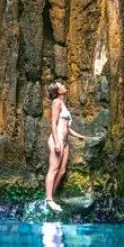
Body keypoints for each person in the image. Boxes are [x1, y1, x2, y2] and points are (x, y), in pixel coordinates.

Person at [45, 81, 86, 212]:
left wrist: (78, 135)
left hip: (65, 141)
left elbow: (67, 127)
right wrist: (57, 142)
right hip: (57, 140)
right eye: (61, 85)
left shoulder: (63, 103)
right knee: (53, 169)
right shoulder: (56, 102)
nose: (64, 85)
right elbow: (53, 124)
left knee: (62, 170)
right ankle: (49, 199)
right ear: (59, 91)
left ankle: (52, 195)